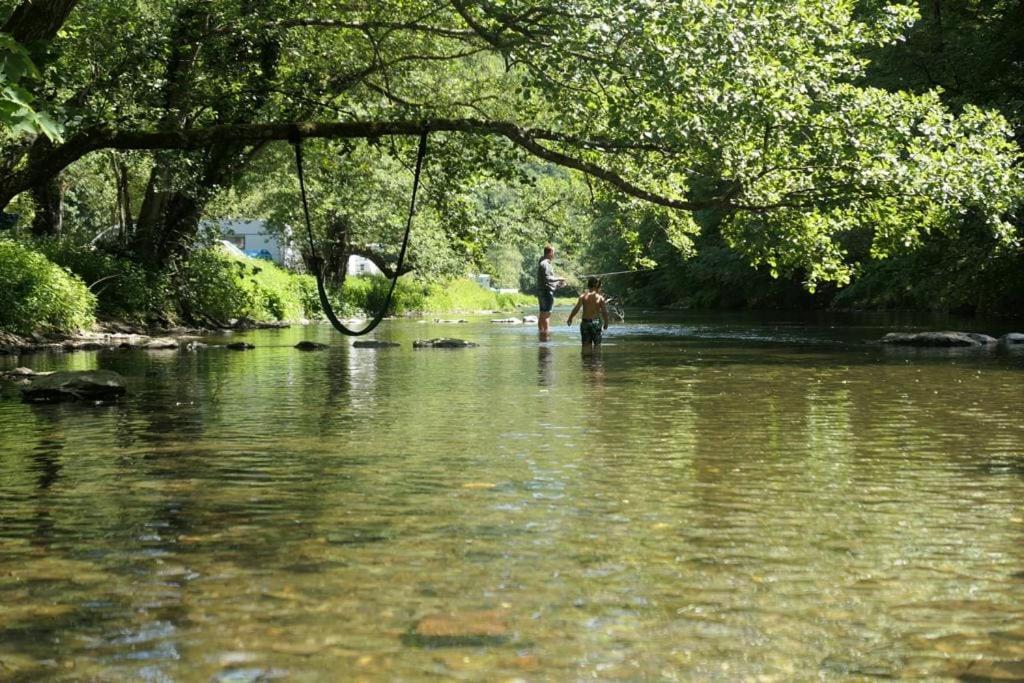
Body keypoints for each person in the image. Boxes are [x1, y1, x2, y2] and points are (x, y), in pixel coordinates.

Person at [566, 276, 610, 353]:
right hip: (595, 323)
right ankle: (596, 363)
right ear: (597, 286)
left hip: (585, 323)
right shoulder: (600, 298)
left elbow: (576, 308)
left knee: (585, 346)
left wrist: (570, 318)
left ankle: (586, 364)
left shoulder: (583, 296)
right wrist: (606, 322)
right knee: (597, 346)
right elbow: (604, 312)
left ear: (588, 285)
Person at [536, 245, 564, 338]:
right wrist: (560, 278)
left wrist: (558, 284)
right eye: (553, 253)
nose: (554, 255)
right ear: (550, 253)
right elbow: (548, 279)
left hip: (541, 291)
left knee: (542, 314)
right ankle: (546, 336)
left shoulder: (542, 262)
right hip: (546, 292)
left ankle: (541, 334)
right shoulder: (546, 263)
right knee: (547, 315)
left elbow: (545, 280)